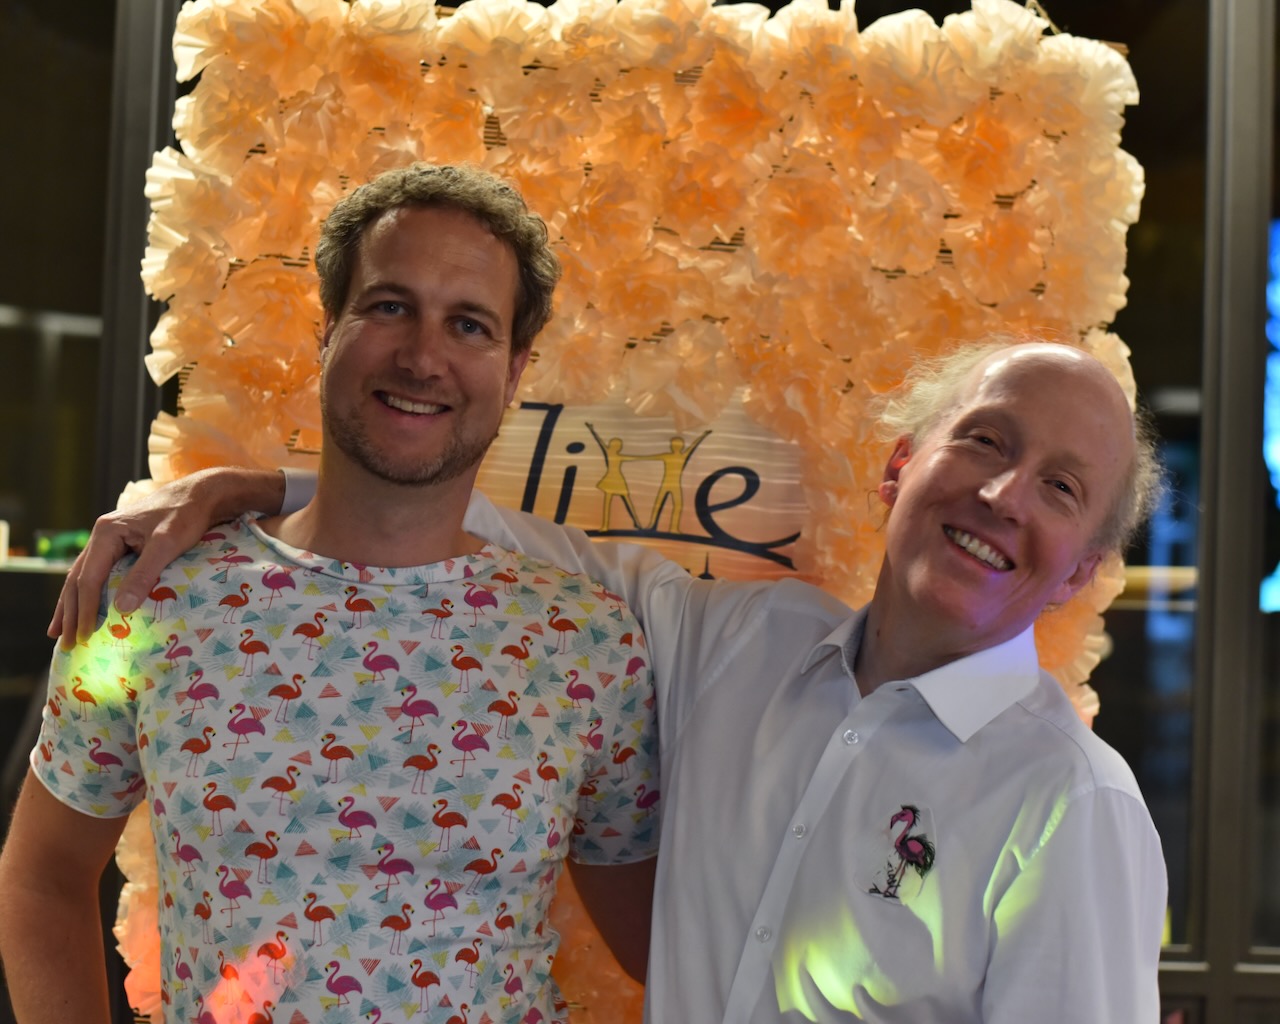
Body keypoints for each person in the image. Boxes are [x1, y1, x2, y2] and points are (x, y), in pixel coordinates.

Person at [39, 342, 1166, 1015]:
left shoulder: (1069, 805)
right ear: (898, 468)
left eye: (1060, 488)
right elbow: (508, 544)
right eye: (984, 441)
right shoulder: (744, 642)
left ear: (1081, 572)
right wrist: (260, 493)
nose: (1002, 494)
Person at [0, 163, 660, 1024]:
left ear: (514, 369)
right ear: (327, 330)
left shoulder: (588, 643)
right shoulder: (153, 600)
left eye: (468, 324)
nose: (422, 357)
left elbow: (664, 943)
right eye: (389, 306)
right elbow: (43, 874)